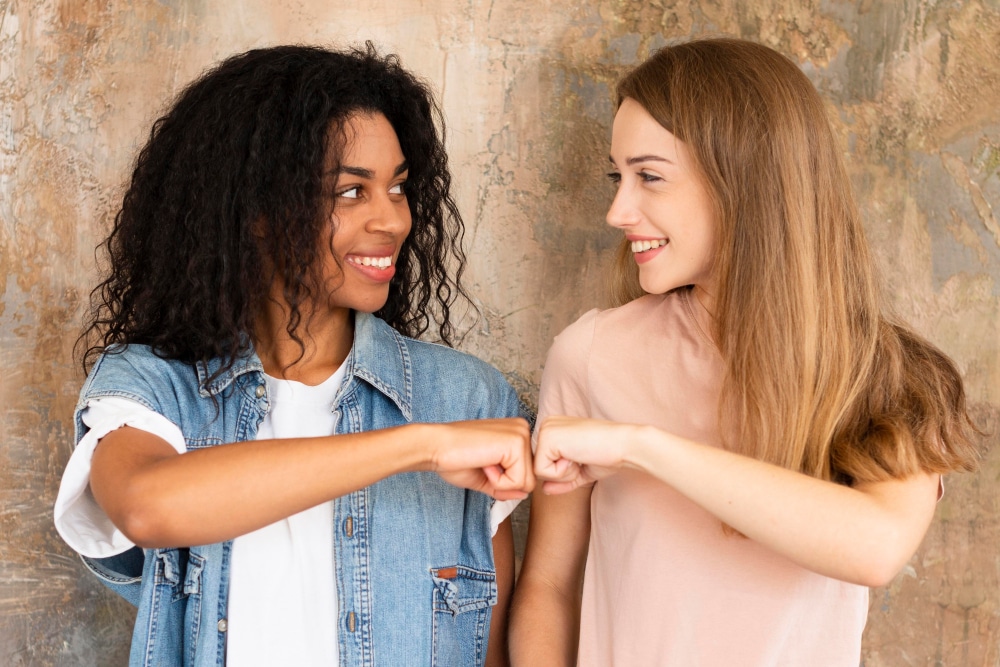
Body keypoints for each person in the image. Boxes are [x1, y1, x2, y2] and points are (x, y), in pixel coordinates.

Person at [54, 44, 534, 667]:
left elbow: (488, 649)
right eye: (351, 192)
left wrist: (436, 431)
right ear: (256, 210)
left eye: (396, 187)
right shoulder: (151, 387)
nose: (393, 219)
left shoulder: (466, 398)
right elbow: (149, 505)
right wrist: (423, 446)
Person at [509, 37, 980, 666]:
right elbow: (548, 586)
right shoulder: (590, 355)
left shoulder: (889, 376)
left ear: (744, 180)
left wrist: (640, 446)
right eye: (617, 177)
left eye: (649, 176)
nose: (618, 210)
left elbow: (876, 547)